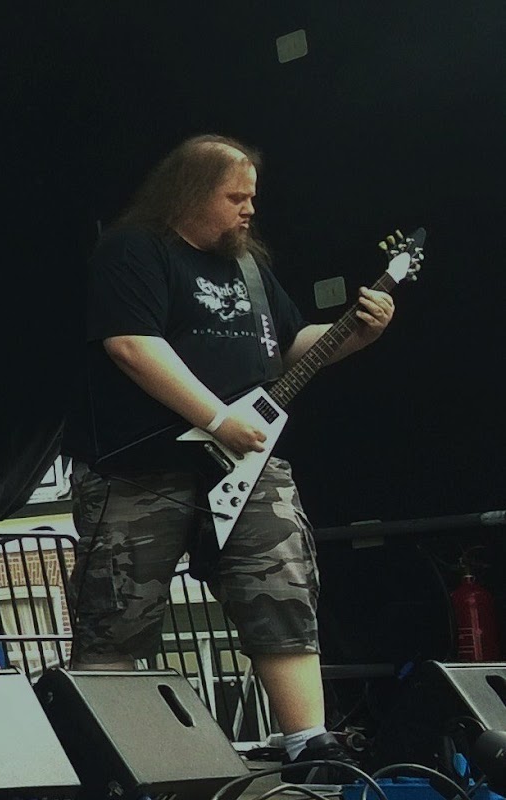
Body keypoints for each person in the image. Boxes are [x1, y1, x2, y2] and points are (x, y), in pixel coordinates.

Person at [62, 134, 395, 785]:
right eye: (234, 196)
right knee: (116, 613)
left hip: (247, 464)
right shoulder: (134, 250)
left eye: (251, 197)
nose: (249, 209)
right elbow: (130, 344)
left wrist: (358, 333)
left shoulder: (248, 268)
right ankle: (101, 758)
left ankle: (308, 743)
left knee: (281, 584)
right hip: (139, 468)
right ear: (189, 193)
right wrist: (216, 417)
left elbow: (291, 347)